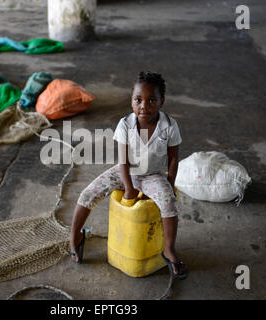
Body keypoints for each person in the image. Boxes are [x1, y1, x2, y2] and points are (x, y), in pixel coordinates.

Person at [70, 71, 188, 280]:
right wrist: (129, 188)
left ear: (162, 101)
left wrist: (170, 184)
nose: (144, 106)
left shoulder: (169, 126)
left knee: (169, 202)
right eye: (138, 100)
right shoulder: (125, 124)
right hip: (125, 171)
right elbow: (123, 161)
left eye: (152, 100)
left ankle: (169, 249)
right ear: (131, 101)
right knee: (88, 194)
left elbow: (173, 159)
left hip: (153, 175)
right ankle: (75, 237)